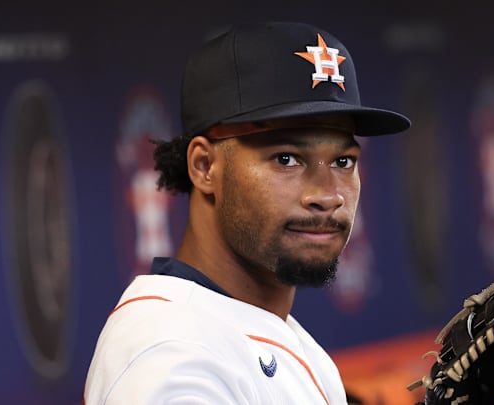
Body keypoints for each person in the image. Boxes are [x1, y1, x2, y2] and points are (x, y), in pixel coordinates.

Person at [84, 21, 410, 404]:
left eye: (342, 161)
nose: (327, 195)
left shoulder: (267, 334)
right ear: (205, 166)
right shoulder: (172, 355)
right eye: (286, 158)